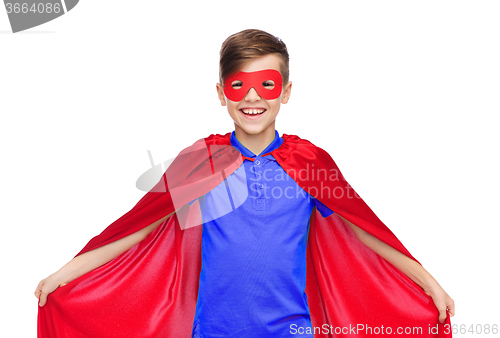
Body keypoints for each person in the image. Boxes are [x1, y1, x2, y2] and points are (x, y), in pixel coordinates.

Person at [35, 29, 455, 338]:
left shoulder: (309, 162)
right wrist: (65, 274)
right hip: (213, 329)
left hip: (293, 329)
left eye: (265, 85)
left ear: (286, 92)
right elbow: (138, 225)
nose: (252, 98)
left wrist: (430, 285)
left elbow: (364, 228)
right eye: (239, 85)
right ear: (222, 93)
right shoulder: (202, 159)